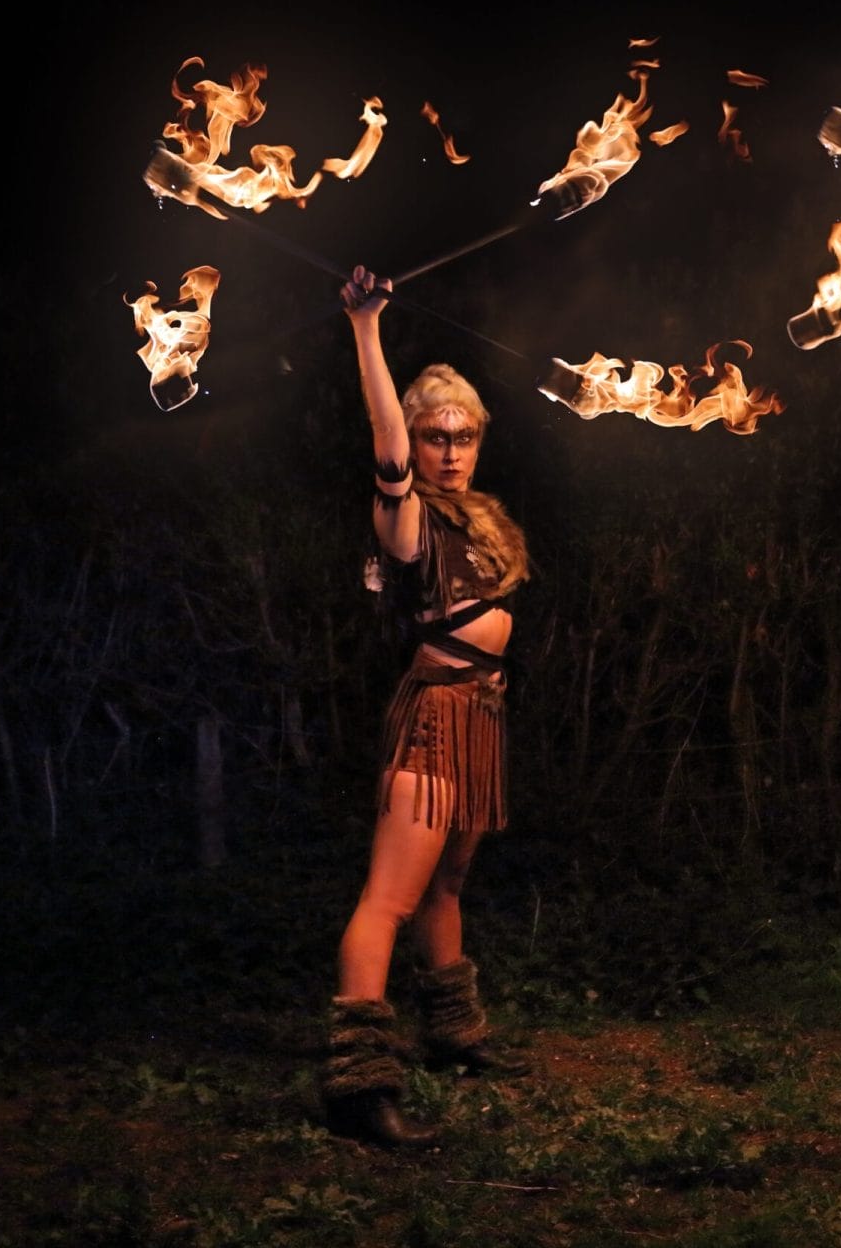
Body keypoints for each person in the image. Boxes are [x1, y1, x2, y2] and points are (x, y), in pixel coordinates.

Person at [322, 266, 532, 1148]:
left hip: (481, 716)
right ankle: (358, 1084)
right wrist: (367, 327)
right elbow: (387, 452)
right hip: (437, 719)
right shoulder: (407, 522)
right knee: (390, 898)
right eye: (433, 436)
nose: (448, 451)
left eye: (462, 436)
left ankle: (453, 1032)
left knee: (448, 883)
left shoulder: (475, 521)